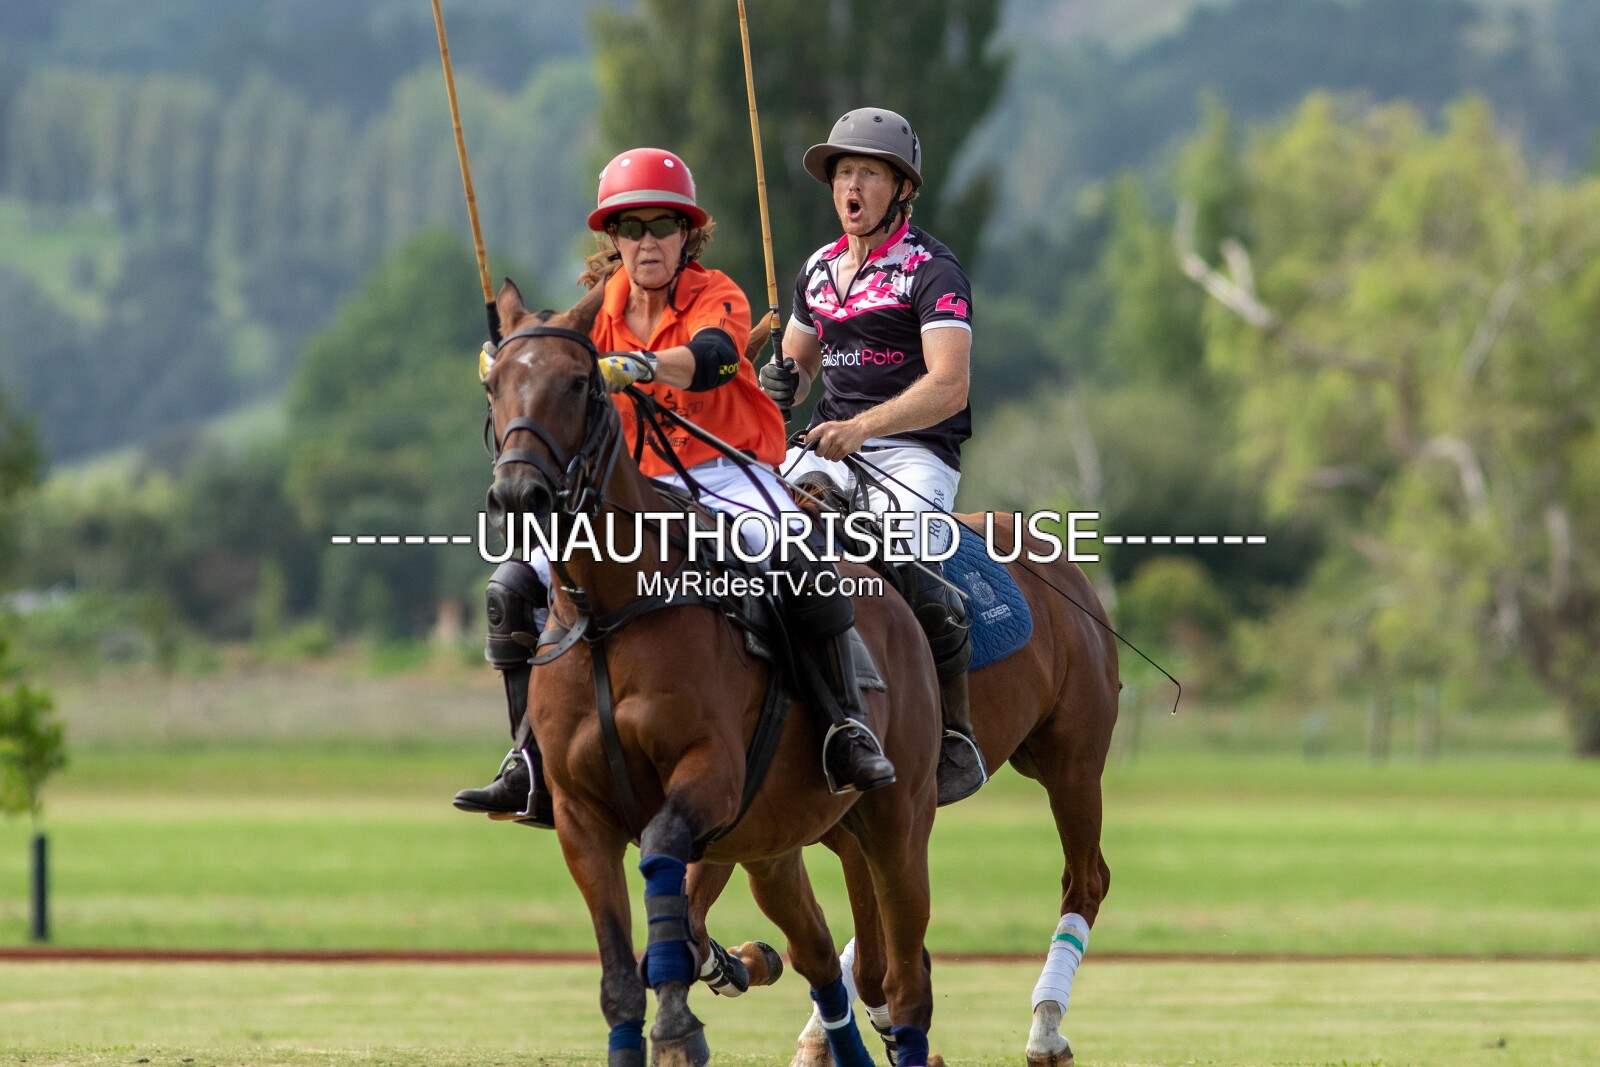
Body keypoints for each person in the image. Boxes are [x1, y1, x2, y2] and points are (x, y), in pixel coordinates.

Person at [454, 147, 895, 826]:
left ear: (687, 233)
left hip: (729, 472)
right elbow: (542, 357)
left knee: (800, 560)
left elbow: (716, 358)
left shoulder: (716, 294)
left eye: (663, 225)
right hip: (632, 490)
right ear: (614, 238)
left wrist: (644, 364)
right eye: (631, 227)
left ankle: (845, 725)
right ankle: (528, 757)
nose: (647, 240)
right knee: (511, 586)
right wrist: (507, 357)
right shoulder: (594, 315)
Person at [758, 108, 986, 805]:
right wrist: (781, 382)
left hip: (914, 453)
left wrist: (862, 427)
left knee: (910, 563)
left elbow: (949, 386)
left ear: (901, 189)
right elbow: (800, 365)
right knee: (753, 534)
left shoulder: (931, 270)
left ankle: (955, 734)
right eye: (842, 173)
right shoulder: (818, 269)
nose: (850, 187)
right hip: (828, 447)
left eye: (867, 174)